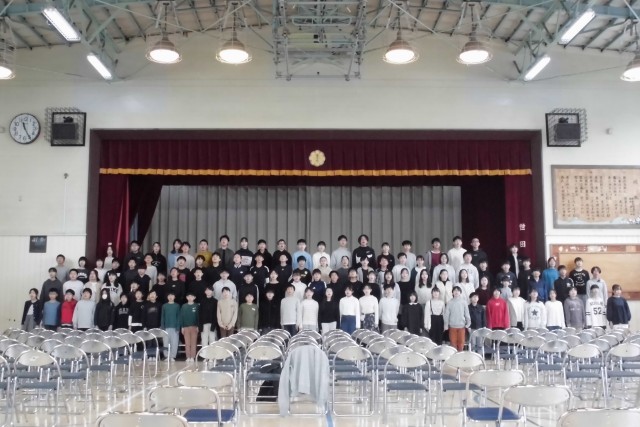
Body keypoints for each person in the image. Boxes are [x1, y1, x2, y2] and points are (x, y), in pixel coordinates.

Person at [444, 286, 471, 351]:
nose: (456, 292)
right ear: (452, 293)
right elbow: (446, 315)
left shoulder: (464, 302)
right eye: (455, 290)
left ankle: (460, 356)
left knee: (461, 343)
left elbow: (467, 313)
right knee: (453, 343)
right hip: (452, 326)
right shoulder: (449, 302)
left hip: (462, 326)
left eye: (458, 291)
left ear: (460, 292)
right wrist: (446, 325)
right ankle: (454, 356)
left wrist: (468, 323)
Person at [161, 291, 181, 361]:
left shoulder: (177, 306)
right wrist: (162, 327)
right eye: (169, 295)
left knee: (174, 342)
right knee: (166, 342)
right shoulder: (164, 306)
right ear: (167, 297)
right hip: (166, 327)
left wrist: (178, 327)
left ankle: (172, 356)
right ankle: (166, 356)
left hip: (174, 327)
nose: (170, 297)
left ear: (174, 297)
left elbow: (178, 317)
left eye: (172, 295)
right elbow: (162, 317)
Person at [180, 292, 199, 362]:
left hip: (194, 326)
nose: (190, 298)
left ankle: (193, 357)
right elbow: (181, 317)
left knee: (193, 342)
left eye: (191, 296)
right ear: (186, 298)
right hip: (186, 327)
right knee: (187, 343)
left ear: (194, 298)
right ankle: (188, 356)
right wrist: (182, 326)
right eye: (188, 296)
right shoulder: (184, 306)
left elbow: (198, 317)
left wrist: (198, 326)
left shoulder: (197, 306)